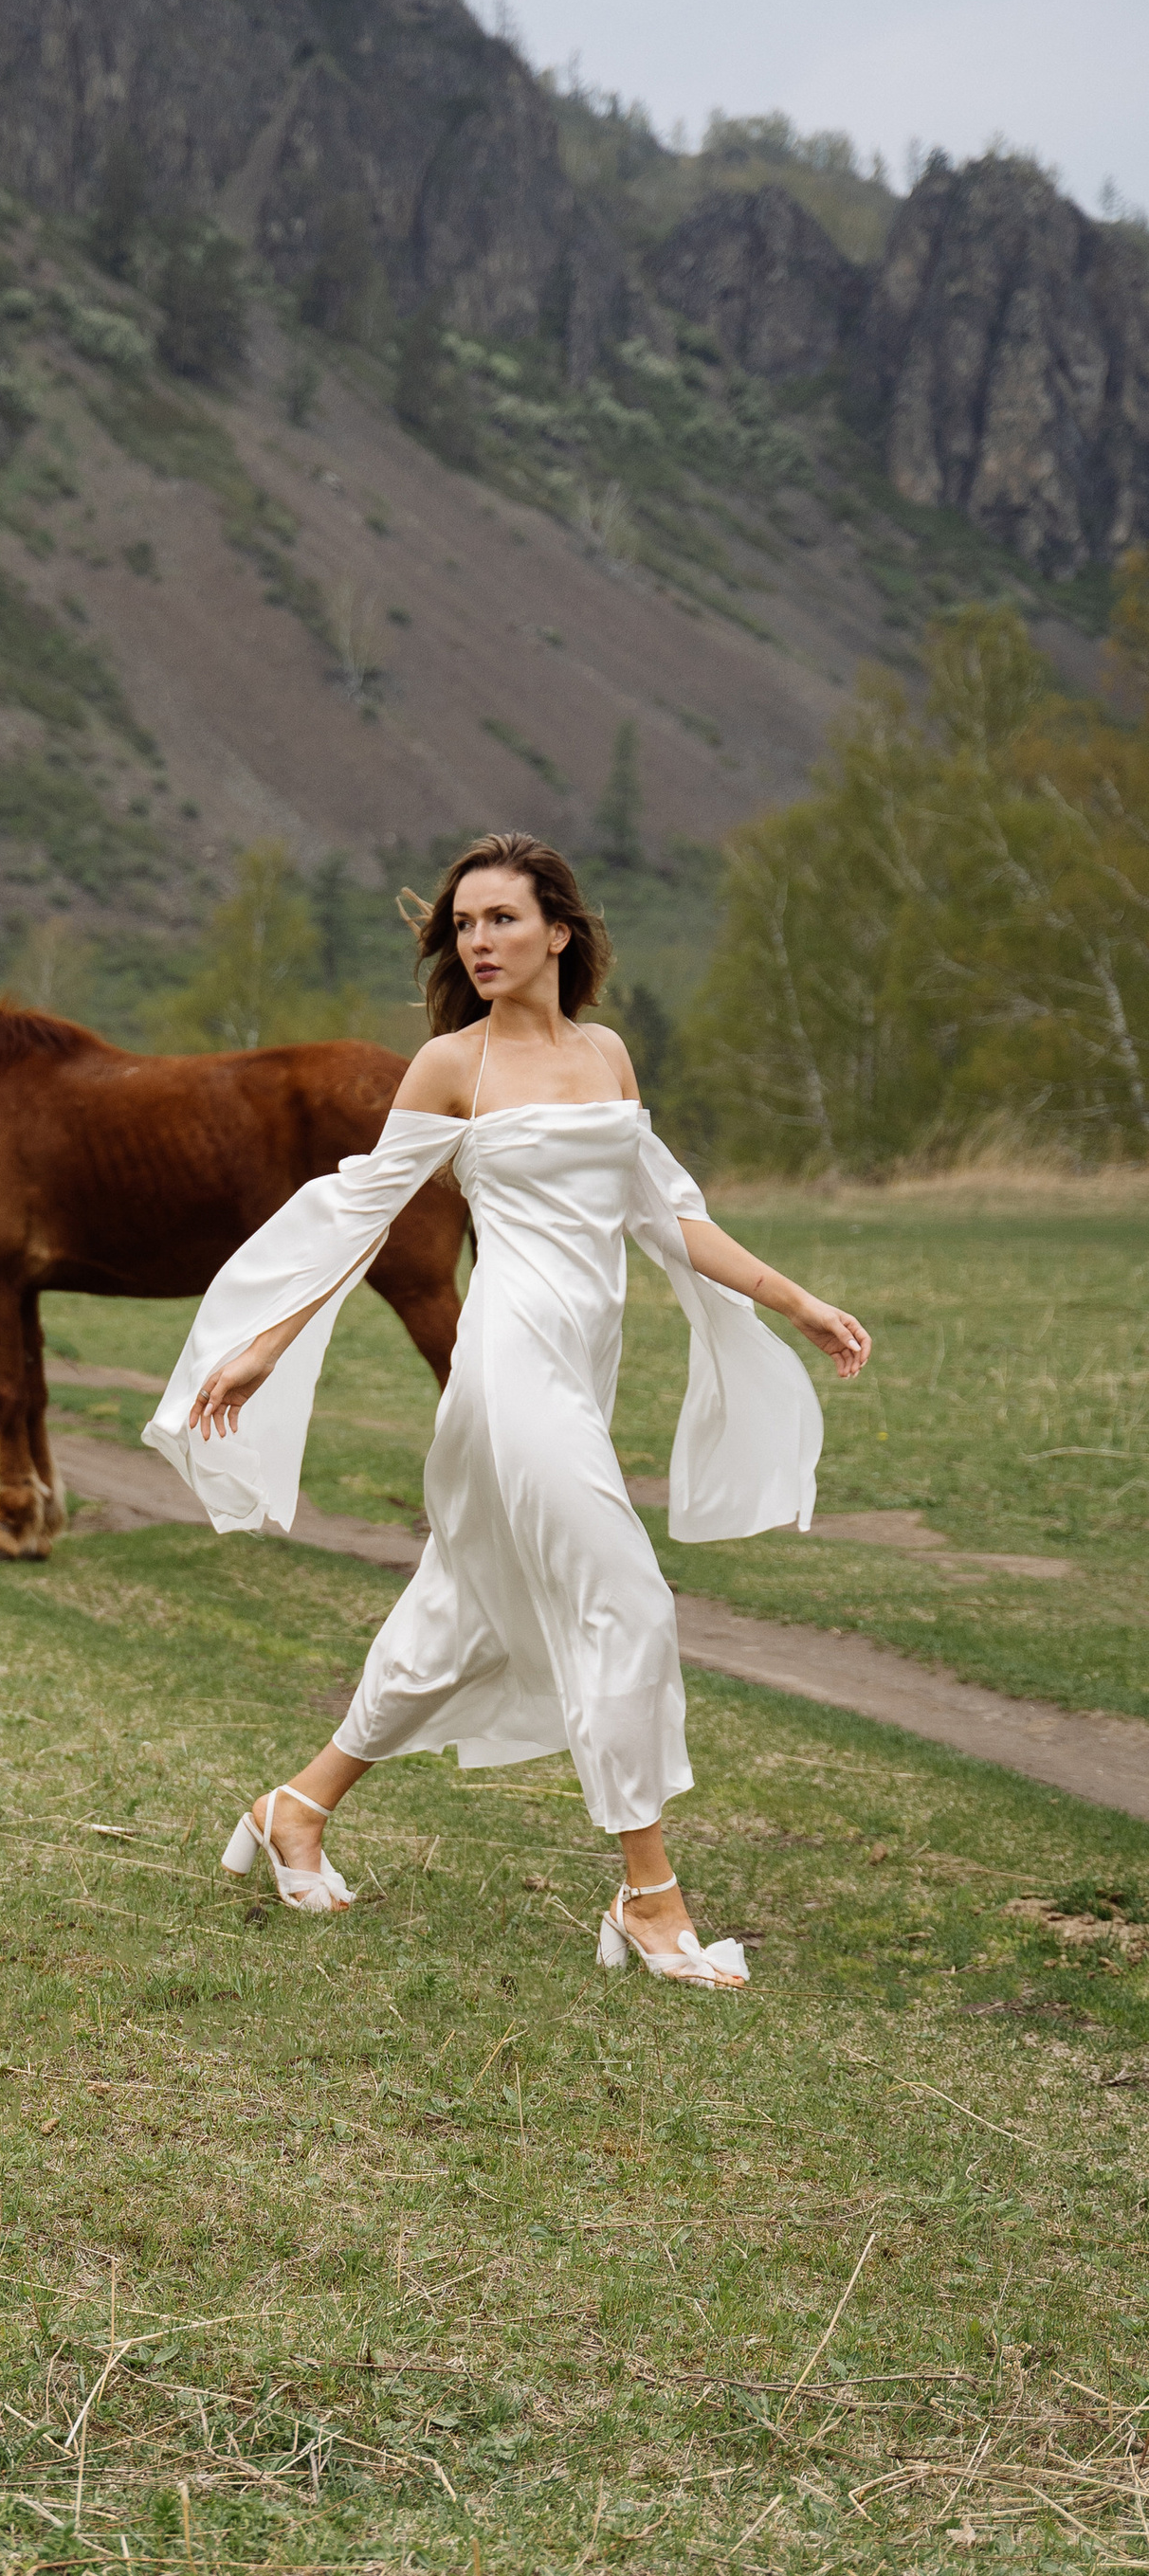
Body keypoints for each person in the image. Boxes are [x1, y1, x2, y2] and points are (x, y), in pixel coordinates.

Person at [142, 834, 870, 1988]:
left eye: (501, 920)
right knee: (624, 1600)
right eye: (463, 926)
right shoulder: (450, 1066)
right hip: (504, 1366)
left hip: (579, 1368)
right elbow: (362, 1213)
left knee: (461, 1615)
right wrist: (262, 1346)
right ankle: (649, 1897)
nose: (478, 942)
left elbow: (665, 1212)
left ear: (558, 932)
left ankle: (297, 1806)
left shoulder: (606, 1054)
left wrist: (796, 1300)